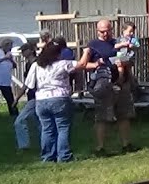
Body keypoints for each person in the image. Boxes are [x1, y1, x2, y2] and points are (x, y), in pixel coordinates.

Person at [27, 38, 91, 163]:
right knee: (62, 127)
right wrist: (86, 52)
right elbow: (82, 64)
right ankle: (64, 156)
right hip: (59, 98)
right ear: (57, 53)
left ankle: (47, 157)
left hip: (41, 100)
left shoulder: (36, 65)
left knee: (47, 129)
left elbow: (30, 84)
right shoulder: (63, 64)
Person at [86, 19, 136, 155]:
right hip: (103, 85)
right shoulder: (92, 45)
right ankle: (100, 147)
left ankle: (126, 144)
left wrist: (124, 64)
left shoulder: (116, 43)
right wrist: (96, 64)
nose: (105, 34)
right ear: (97, 31)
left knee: (124, 115)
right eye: (102, 31)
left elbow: (126, 60)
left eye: (107, 30)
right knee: (102, 117)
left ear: (111, 30)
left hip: (120, 83)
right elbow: (84, 64)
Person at [12, 44, 40, 151]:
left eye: (24, 50)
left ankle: (24, 146)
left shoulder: (37, 63)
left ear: (31, 50)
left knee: (19, 121)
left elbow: (26, 85)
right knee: (41, 123)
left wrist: (16, 99)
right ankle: (46, 144)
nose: (23, 53)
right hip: (32, 96)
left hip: (36, 97)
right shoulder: (28, 64)